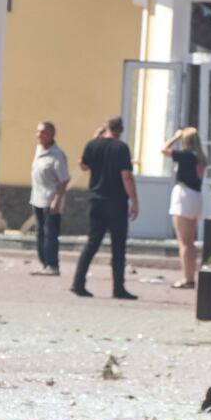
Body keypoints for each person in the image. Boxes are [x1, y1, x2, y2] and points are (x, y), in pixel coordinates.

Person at [71, 116, 139, 300]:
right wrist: (134, 201)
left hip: (96, 200)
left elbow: (83, 166)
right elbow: (127, 176)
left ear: (105, 128)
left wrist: (95, 139)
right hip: (116, 202)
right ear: (121, 130)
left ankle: (78, 283)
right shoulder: (121, 148)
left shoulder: (93, 145)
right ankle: (118, 288)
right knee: (118, 247)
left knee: (92, 243)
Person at [161, 127, 207, 289]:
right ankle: (190, 276)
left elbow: (164, 150)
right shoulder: (200, 158)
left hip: (184, 195)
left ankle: (187, 278)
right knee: (190, 241)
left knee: (184, 242)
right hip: (196, 196)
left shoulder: (187, 156)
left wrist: (174, 137)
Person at [29, 121, 70, 276]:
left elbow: (64, 180)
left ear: (52, 135)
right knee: (40, 233)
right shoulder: (39, 150)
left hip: (50, 200)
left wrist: (57, 201)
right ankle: (44, 263)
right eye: (38, 131)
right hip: (37, 198)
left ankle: (52, 265)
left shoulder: (57, 154)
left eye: (43, 132)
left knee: (50, 233)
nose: (39, 135)